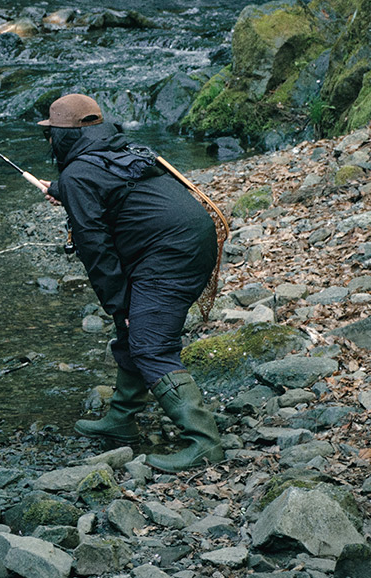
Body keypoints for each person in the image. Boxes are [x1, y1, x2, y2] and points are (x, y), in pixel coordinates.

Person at [38, 93, 224, 472]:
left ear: (61, 137)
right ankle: (121, 418)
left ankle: (204, 442)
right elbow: (114, 185)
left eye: (51, 135)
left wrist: (119, 306)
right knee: (137, 330)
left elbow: (97, 252)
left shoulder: (78, 175)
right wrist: (63, 190)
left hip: (168, 256)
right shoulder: (126, 148)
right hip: (196, 240)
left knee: (150, 344)